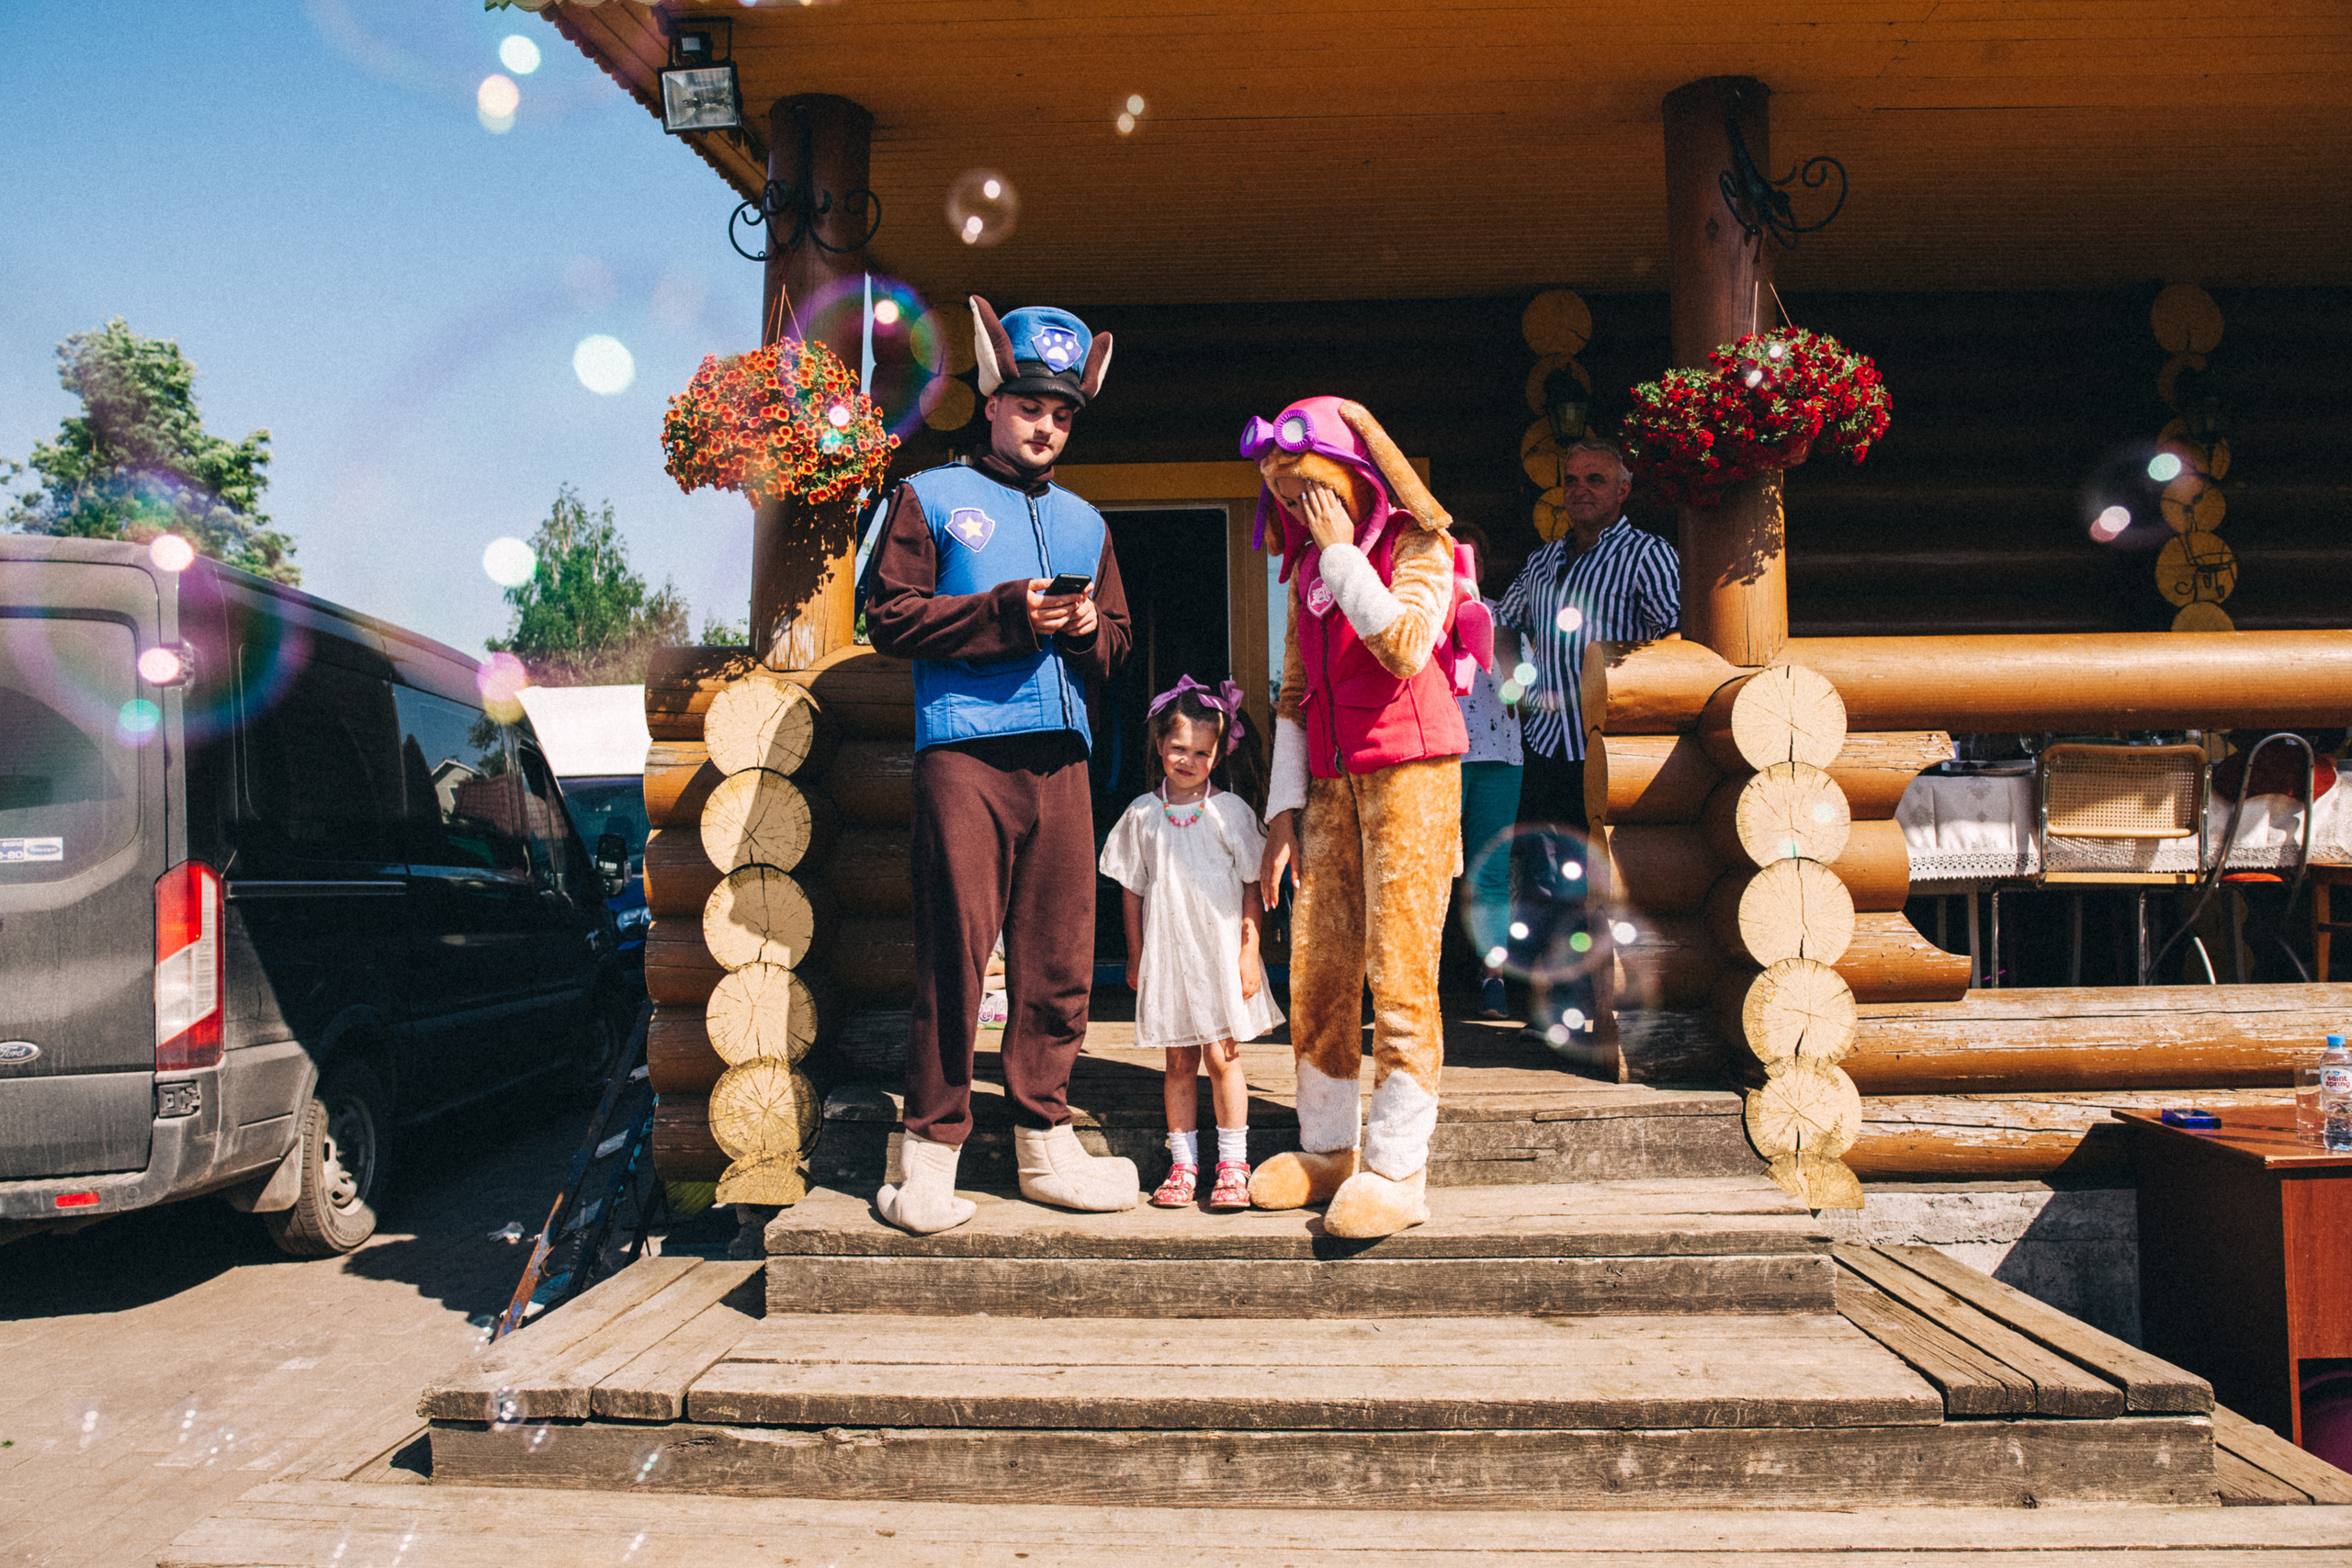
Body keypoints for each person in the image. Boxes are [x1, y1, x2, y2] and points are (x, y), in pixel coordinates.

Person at [859, 296, 1138, 1235]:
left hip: (1061, 759)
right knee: (957, 956)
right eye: (1029, 407)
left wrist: (1094, 627)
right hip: (965, 753)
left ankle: (1043, 1144)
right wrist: (1010, 611)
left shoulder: (1088, 522)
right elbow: (889, 619)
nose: (1044, 426)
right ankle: (928, 1153)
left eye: (1060, 414)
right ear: (991, 400)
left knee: (1060, 959)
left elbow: (1119, 644)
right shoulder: (929, 497)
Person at [1247, 396, 1469, 1239]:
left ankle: (1397, 1166)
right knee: (1321, 962)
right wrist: (1281, 814)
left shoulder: (1419, 545)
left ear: (1354, 479)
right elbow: (1296, 696)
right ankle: (1331, 1148)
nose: (1300, 510)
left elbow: (1408, 645)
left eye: (1310, 491)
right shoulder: (1307, 571)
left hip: (1412, 771)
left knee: (1400, 968)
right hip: (1334, 785)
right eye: (1287, 496)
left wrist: (1342, 554)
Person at [1099, 677, 1281, 1212]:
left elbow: (1253, 884)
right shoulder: (1141, 814)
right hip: (1170, 958)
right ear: (1160, 746)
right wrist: (1135, 955)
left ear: (1219, 753)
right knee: (1178, 1062)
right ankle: (1183, 1163)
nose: (1188, 759)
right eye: (1178, 748)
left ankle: (1232, 1164)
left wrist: (1250, 951)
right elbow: (1131, 890)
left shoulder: (1231, 813)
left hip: (1219, 956)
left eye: (1202, 751)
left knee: (1224, 1059)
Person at [1494, 436, 1680, 833]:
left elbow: (1675, 639)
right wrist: (1514, 685)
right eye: (1572, 480)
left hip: (1610, 746)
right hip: (1544, 743)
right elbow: (1505, 621)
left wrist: (1637, 709)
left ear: (1622, 490)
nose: (1581, 489)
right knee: (1546, 870)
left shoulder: (1647, 555)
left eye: (1595, 479)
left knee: (1607, 867)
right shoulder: (1543, 559)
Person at [1448, 521, 1522, 1020]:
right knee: (1430, 873)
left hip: (1499, 758)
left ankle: (1491, 975)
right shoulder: (1420, 617)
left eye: (1471, 559)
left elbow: (1519, 688)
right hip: (1440, 760)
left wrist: (1491, 633)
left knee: (1489, 871)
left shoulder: (1502, 618)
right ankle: (1419, 976)